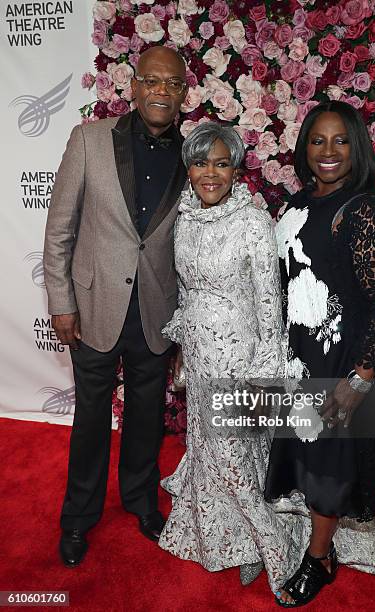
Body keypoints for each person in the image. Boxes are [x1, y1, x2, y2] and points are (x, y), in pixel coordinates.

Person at [43, 46, 188, 567]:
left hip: (155, 312)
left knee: (147, 417)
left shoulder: (193, 153)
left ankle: (141, 502)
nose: (161, 91)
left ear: (182, 93)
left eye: (172, 84)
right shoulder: (89, 139)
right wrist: (62, 302)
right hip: (94, 305)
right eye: (152, 81)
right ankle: (78, 518)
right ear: (133, 86)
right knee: (89, 420)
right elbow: (60, 229)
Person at [264, 101, 375, 607]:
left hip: (342, 361)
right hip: (301, 355)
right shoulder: (296, 203)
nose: (328, 151)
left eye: (340, 141)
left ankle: (319, 558)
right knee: (306, 450)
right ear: (304, 148)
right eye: (317, 141)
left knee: (329, 461)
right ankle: (313, 540)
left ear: (357, 148)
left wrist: (362, 377)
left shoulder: (366, 210)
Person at [158, 122, 303, 592]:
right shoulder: (185, 219)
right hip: (199, 358)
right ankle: (240, 543)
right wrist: (182, 348)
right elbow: (185, 291)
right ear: (189, 167)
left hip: (239, 361)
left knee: (235, 459)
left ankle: (274, 548)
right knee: (211, 451)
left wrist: (263, 376)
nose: (211, 174)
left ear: (236, 169)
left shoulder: (253, 222)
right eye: (201, 162)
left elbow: (269, 303)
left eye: (222, 163)